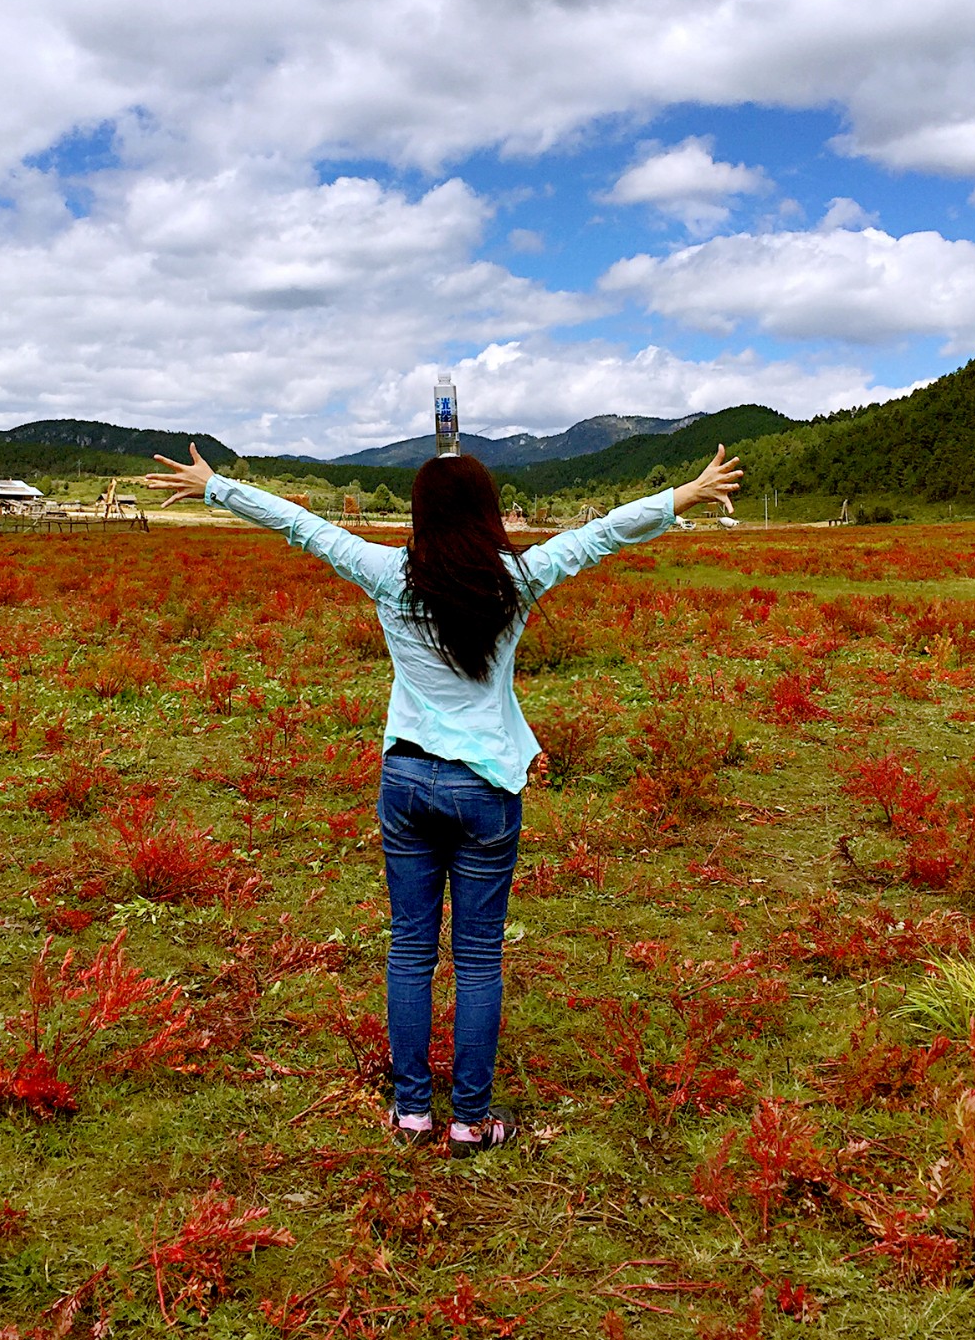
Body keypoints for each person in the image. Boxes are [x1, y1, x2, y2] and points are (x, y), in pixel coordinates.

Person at [143, 440, 743, 1155]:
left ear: (422, 514)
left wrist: (217, 487)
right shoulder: (517, 579)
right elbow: (602, 533)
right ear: (488, 511)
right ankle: (469, 1119)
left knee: (409, 949)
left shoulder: (388, 574)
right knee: (480, 957)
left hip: (406, 781)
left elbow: (302, 526)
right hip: (485, 787)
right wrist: (687, 492)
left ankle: (410, 1114)